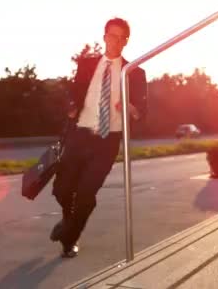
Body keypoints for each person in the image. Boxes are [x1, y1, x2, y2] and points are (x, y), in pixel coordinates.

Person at [50, 17, 148, 258]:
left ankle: (69, 238)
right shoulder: (87, 64)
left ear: (126, 41)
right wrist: (71, 105)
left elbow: (141, 112)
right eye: (109, 35)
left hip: (107, 140)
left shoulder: (133, 73)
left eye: (118, 37)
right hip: (79, 135)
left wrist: (129, 107)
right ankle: (69, 221)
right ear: (103, 36)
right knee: (61, 189)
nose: (112, 41)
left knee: (84, 193)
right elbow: (73, 92)